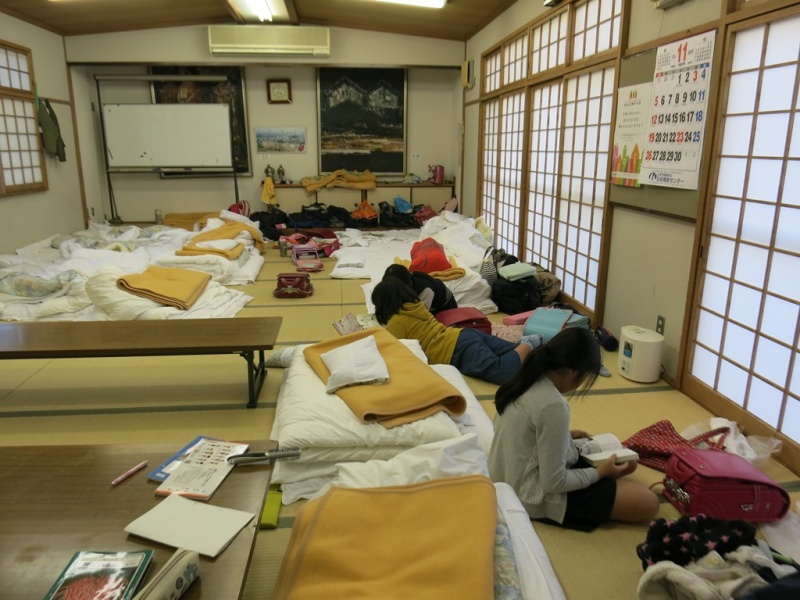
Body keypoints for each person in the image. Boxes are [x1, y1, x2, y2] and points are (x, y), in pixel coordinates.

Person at [488, 327, 660, 531]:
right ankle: (600, 480)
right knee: (649, 503)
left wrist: (564, 435)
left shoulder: (525, 377)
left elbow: (523, 434)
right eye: (584, 377)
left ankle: (603, 480)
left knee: (629, 464)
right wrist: (598, 474)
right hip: (530, 495)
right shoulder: (552, 405)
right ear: (572, 372)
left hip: (506, 478)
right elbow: (554, 483)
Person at [371, 278, 543, 385]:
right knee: (521, 355)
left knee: (502, 372)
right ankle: (538, 348)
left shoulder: (396, 322)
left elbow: (392, 352)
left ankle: (528, 342)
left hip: (456, 350)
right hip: (464, 334)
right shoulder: (416, 306)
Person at [382, 263, 458, 315]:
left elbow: (421, 314)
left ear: (406, 285)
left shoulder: (425, 289)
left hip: (443, 309)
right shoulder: (403, 281)